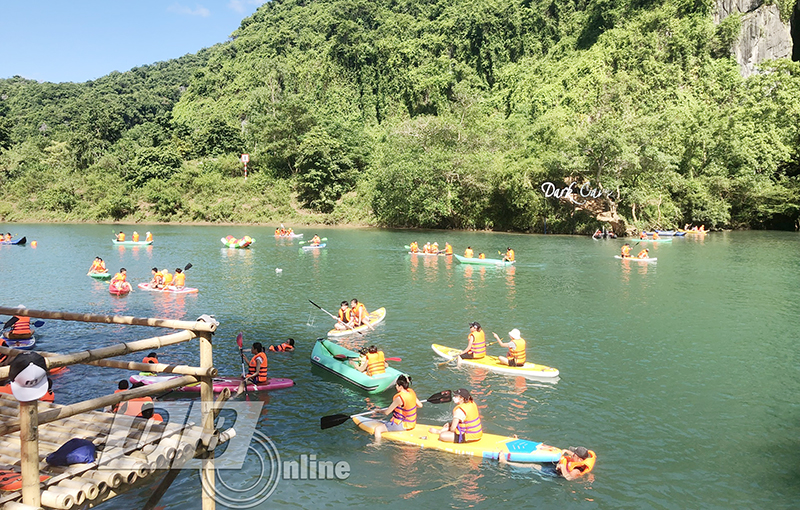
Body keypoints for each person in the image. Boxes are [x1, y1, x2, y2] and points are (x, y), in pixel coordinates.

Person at [372, 375, 422, 439]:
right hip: (412, 423)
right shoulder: (411, 392)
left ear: (401, 387)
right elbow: (420, 405)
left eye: (397, 385)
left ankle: (376, 445)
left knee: (377, 429)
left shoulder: (399, 398)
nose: (396, 387)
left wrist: (378, 411)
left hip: (402, 425)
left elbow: (387, 412)